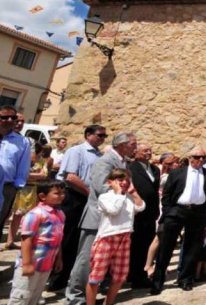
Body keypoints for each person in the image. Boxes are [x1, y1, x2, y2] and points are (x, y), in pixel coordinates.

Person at [65, 131, 136, 305]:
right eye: (132, 143)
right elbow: (101, 187)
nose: (135, 146)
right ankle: (75, 297)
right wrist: (125, 195)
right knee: (86, 258)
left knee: (99, 261)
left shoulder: (122, 162)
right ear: (121, 144)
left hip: (113, 220)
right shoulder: (105, 161)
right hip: (98, 217)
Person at [48, 125, 106, 292]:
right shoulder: (76, 151)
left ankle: (68, 276)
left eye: (104, 136)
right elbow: (70, 176)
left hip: (87, 199)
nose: (102, 138)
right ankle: (56, 279)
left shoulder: (99, 155)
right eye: (99, 135)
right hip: (75, 197)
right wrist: (89, 193)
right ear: (88, 135)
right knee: (67, 238)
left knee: (79, 241)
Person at [151, 146, 206, 295]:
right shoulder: (177, 173)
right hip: (177, 211)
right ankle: (157, 282)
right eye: (198, 157)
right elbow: (167, 194)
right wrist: (168, 212)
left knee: (192, 248)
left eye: (203, 158)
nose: (201, 160)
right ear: (190, 158)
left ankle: (185, 279)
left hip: (198, 213)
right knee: (166, 247)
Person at [84, 169, 144, 305]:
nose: (124, 183)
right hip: (107, 238)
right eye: (120, 180)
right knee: (96, 276)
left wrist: (133, 193)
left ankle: (108, 303)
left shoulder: (127, 197)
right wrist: (119, 194)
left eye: (126, 180)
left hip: (125, 237)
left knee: (119, 275)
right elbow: (113, 210)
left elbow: (141, 207)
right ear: (110, 182)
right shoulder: (104, 197)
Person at [7, 179, 66, 305]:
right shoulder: (35, 214)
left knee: (34, 297)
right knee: (21, 298)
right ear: (42, 196)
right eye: (57, 193)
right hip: (31, 266)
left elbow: (58, 238)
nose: (61, 196)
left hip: (46, 267)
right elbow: (26, 240)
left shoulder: (60, 214)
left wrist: (58, 258)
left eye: (63, 193)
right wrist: (27, 264)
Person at [127, 142, 160, 288]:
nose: (148, 153)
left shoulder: (154, 169)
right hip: (138, 211)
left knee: (147, 242)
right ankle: (134, 276)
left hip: (151, 212)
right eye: (145, 150)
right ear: (136, 152)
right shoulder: (131, 168)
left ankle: (143, 272)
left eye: (150, 150)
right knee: (136, 244)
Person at [6, 142, 49, 250]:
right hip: (22, 190)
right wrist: (35, 175)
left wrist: (30, 175)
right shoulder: (24, 161)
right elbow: (21, 174)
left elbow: (44, 175)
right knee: (16, 216)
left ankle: (27, 241)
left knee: (32, 217)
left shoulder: (42, 161)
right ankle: (10, 241)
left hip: (34, 190)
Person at [0, 106, 31, 248]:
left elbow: (23, 166)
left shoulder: (22, 142)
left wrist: (16, 186)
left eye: (13, 117)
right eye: (5, 117)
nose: (10, 120)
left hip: (6, 188)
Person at [144, 153, 178, 280]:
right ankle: (148, 265)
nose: (176, 164)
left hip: (170, 207)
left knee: (167, 238)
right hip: (161, 206)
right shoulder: (161, 174)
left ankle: (161, 263)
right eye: (173, 162)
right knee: (159, 236)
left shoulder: (172, 174)